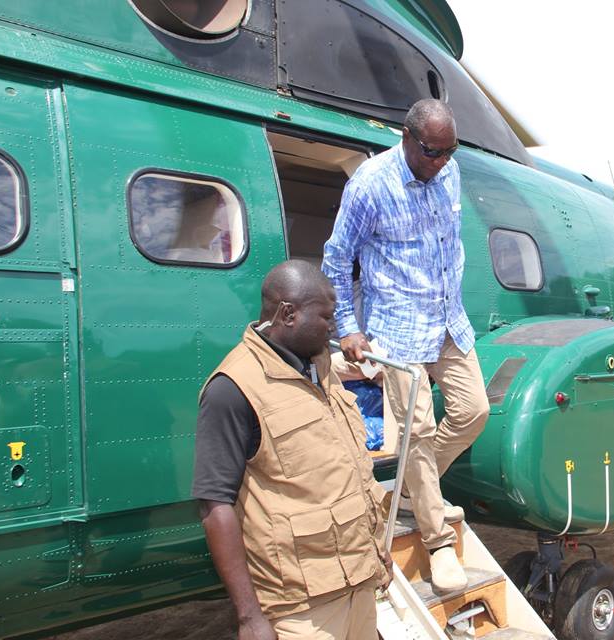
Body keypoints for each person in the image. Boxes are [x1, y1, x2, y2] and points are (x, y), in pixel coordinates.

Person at [322, 98, 489, 592]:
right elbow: (336, 260)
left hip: (447, 322)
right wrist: (349, 328)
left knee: (473, 411)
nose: (440, 162)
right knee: (416, 430)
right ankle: (438, 544)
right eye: (432, 152)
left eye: (448, 151)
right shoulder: (370, 185)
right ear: (407, 137)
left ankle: (420, 491)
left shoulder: (450, 172)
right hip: (396, 329)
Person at [192, 260, 391, 640]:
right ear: (288, 314)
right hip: (303, 609)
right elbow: (214, 506)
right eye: (326, 317)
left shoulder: (319, 368)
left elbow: (348, 475)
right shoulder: (233, 388)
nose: (333, 328)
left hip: (360, 585)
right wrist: (250, 617)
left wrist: (378, 553)